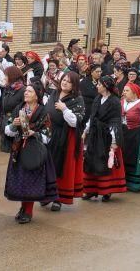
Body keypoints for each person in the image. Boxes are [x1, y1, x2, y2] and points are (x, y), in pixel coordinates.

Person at [3, 83, 58, 224]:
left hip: (34, 151)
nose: (25, 93)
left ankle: (28, 211)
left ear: (37, 95)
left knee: (31, 181)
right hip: (19, 150)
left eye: (29, 91)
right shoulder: (19, 109)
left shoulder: (43, 112)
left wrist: (35, 134)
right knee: (21, 181)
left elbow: (48, 135)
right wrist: (13, 125)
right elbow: (8, 130)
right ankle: (23, 207)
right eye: (25, 91)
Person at [44, 71, 86, 211]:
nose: (65, 82)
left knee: (60, 167)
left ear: (74, 85)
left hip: (65, 137)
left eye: (69, 81)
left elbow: (75, 122)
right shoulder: (54, 94)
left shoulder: (77, 99)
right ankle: (46, 195)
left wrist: (64, 109)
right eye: (64, 80)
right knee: (46, 166)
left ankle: (58, 198)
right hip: (49, 133)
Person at [82, 76, 126, 201]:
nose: (97, 86)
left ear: (106, 86)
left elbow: (115, 121)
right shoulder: (97, 98)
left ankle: (107, 191)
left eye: (99, 84)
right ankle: (90, 190)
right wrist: (85, 131)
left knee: (104, 163)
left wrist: (113, 141)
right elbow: (92, 117)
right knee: (91, 161)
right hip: (95, 135)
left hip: (107, 137)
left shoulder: (114, 101)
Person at [0, 66, 26, 153]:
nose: (4, 78)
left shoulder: (23, 91)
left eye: (6, 75)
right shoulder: (8, 88)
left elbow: (24, 110)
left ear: (12, 76)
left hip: (15, 127)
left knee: (15, 153)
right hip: (5, 123)